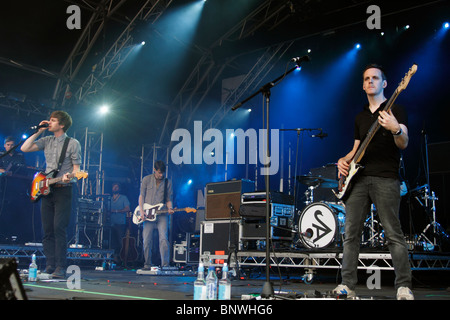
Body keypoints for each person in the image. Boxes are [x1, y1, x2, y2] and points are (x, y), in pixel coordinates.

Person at [334, 64, 413, 300]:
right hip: (358, 180)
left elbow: (404, 142)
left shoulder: (396, 109)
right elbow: (357, 149)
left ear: (385, 83)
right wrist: (343, 160)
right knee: (351, 234)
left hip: (386, 177)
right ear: (363, 84)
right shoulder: (360, 116)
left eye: (375, 78)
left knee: (393, 234)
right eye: (367, 78)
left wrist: (395, 129)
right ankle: (347, 285)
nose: (370, 81)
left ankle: (403, 286)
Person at [21, 111, 82, 278]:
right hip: (46, 188)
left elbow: (77, 170)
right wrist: (39, 131)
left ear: (61, 125)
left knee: (58, 228)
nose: (49, 122)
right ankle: (50, 264)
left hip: (63, 188)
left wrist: (69, 176)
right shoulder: (46, 140)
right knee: (47, 229)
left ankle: (61, 267)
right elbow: (24, 148)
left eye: (53, 121)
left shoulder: (72, 143)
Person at [139, 160, 174, 269]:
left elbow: (168, 199)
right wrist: (141, 210)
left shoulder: (168, 182)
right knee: (146, 240)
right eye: (159, 172)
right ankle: (147, 263)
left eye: (162, 172)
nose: (161, 175)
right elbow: (141, 196)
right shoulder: (146, 179)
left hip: (162, 214)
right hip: (148, 214)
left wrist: (170, 208)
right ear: (154, 170)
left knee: (163, 239)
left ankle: (165, 264)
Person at [110, 182, 131, 263]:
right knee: (112, 241)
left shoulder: (123, 198)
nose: (115, 188)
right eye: (114, 187)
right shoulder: (110, 198)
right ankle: (113, 257)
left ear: (119, 188)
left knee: (120, 241)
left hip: (120, 223)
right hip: (111, 223)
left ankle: (123, 258)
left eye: (117, 187)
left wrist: (116, 211)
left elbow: (128, 208)